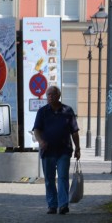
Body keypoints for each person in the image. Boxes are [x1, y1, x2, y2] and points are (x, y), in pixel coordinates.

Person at [31, 85, 81, 215]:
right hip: (48, 151)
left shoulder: (68, 111)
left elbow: (74, 132)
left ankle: (63, 205)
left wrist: (78, 148)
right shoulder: (42, 112)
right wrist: (41, 141)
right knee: (49, 179)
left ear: (59, 96)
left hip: (64, 150)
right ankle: (52, 205)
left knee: (63, 177)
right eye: (48, 95)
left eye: (52, 94)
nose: (50, 97)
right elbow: (36, 130)